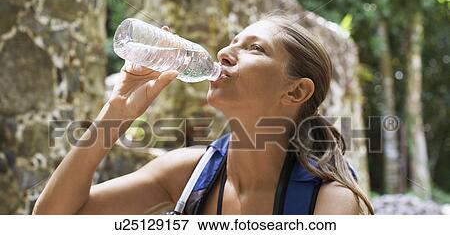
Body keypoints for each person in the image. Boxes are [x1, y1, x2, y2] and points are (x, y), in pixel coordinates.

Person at [33, 12, 374, 215]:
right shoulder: (189, 175)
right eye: (232, 42)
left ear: (296, 91)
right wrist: (116, 112)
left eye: (255, 48)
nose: (225, 52)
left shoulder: (327, 202)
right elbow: (52, 219)